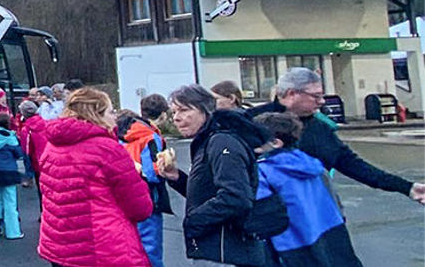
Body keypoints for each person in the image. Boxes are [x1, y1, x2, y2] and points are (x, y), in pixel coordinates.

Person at [247, 67, 425, 205]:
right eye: (316, 96)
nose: (322, 101)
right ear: (292, 94)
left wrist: (406, 188)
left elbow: (352, 164)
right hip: (269, 219)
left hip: (315, 213)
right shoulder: (251, 122)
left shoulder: (320, 129)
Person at [36, 87, 151, 266]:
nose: (114, 117)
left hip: (60, 244)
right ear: (96, 114)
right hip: (101, 245)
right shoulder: (107, 149)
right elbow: (140, 208)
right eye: (110, 111)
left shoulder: (52, 146)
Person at [159, 84, 270, 266]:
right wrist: (177, 178)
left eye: (184, 110)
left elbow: (236, 197)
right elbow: (207, 193)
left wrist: (194, 221)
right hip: (216, 250)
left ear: (206, 111)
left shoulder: (222, 142)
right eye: (174, 113)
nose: (177, 118)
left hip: (227, 252)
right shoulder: (208, 141)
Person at [248, 111, 358, 267]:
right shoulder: (311, 163)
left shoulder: (263, 171)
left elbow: (261, 218)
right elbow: (334, 200)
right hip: (331, 233)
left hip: (289, 243)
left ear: (275, 142)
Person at [116, 94, 173, 267]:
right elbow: (152, 173)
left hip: (125, 196)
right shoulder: (150, 137)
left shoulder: (124, 132)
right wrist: (167, 166)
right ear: (163, 115)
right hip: (148, 198)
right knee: (150, 248)